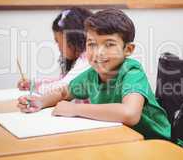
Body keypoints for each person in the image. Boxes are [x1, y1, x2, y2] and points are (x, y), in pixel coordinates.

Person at [17, 8, 171, 140]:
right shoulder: (91, 74)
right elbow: (63, 92)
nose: (98, 52)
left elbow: (129, 114)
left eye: (109, 44)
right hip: (120, 138)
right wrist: (40, 102)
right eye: (92, 44)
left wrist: (75, 109)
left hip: (155, 143)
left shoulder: (132, 72)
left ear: (128, 50)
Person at [17, 7, 92, 97]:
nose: (57, 46)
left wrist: (36, 87)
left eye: (58, 41)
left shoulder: (87, 60)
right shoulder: (81, 59)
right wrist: (33, 84)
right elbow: (62, 80)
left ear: (73, 39)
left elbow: (60, 88)